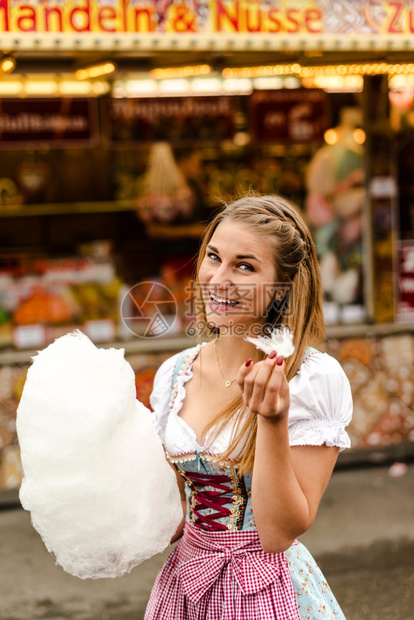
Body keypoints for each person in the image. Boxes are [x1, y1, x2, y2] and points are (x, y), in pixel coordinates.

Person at [145, 194, 353, 620]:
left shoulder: (313, 379)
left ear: (282, 289)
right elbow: (176, 518)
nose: (218, 279)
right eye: (214, 257)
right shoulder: (173, 375)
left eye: (244, 266)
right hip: (185, 588)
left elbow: (277, 533)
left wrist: (273, 420)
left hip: (267, 590)